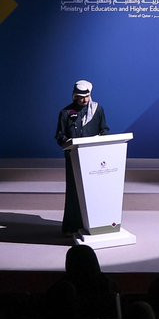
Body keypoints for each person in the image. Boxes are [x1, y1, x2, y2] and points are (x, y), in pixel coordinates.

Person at [55, 79, 109, 236]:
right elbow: (59, 135)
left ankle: (94, 224)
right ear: (74, 96)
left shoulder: (97, 110)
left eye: (86, 96)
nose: (84, 100)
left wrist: (100, 140)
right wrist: (68, 142)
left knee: (94, 192)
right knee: (74, 192)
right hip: (74, 158)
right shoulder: (65, 113)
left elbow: (104, 130)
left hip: (93, 157)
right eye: (80, 97)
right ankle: (72, 227)